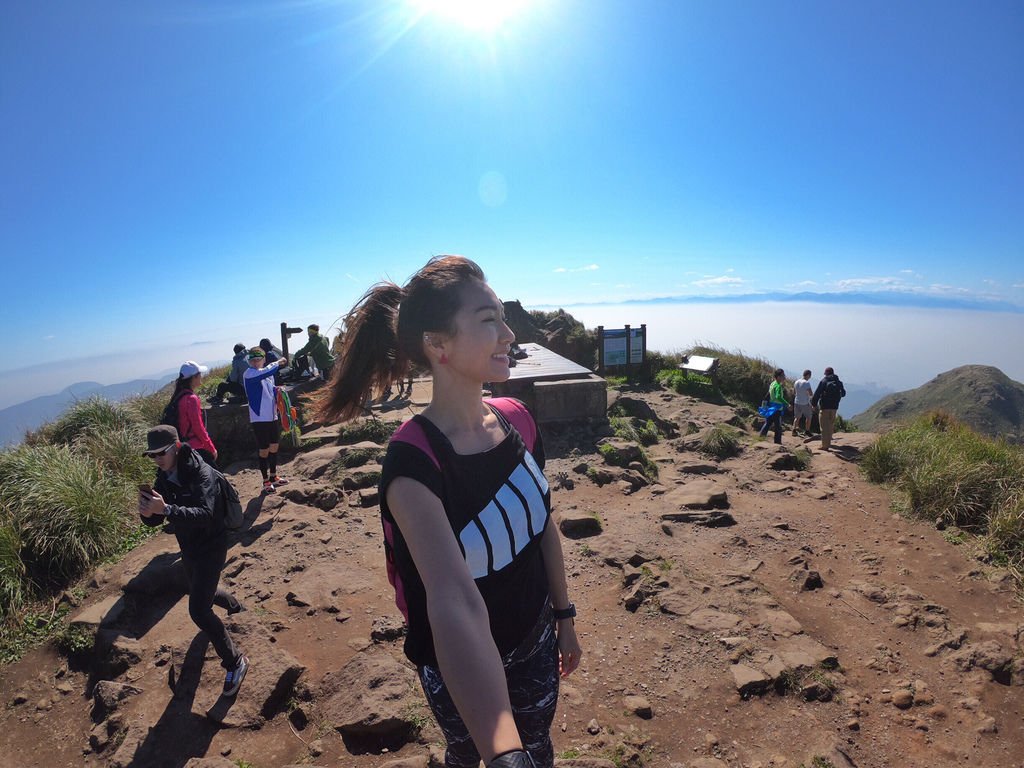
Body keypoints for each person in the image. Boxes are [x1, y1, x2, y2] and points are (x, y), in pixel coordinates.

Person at [317, 256, 581, 768]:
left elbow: (541, 525)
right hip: (452, 658)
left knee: (541, 747)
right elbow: (453, 598)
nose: (508, 333)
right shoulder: (414, 462)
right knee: (465, 753)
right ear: (438, 345)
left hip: (535, 637)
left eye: (502, 316)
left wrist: (564, 617)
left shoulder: (517, 421)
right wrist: (505, 752)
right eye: (488, 319)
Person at [138, 425, 248, 697]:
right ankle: (236, 606)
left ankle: (236, 662)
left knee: (198, 610)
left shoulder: (202, 473)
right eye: (151, 455)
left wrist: (166, 509)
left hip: (212, 545)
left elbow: (206, 513)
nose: (157, 460)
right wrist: (148, 512)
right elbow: (158, 519)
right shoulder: (164, 475)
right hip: (188, 546)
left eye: (160, 453)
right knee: (200, 589)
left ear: (176, 447)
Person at [243, 347, 290, 493]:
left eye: (258, 359)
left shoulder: (267, 375)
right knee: (264, 450)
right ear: (249, 361)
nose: (256, 362)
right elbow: (267, 371)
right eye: (253, 360)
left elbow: (269, 389)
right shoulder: (249, 373)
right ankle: (265, 481)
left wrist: (277, 390)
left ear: (263, 359)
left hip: (271, 415)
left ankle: (274, 476)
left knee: (274, 445)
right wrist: (278, 362)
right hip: (259, 418)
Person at [167, 361, 218, 467]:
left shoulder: (178, 396)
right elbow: (198, 427)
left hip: (182, 446)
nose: (201, 377)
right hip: (195, 447)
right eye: (200, 375)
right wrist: (211, 448)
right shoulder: (191, 399)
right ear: (194, 378)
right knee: (215, 477)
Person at [812, 366, 846, 450]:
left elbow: (817, 394)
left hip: (825, 407)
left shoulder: (824, 381)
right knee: (831, 424)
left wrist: (814, 404)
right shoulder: (838, 382)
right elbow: (844, 393)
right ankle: (829, 440)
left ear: (826, 373)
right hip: (834, 407)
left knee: (824, 426)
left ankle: (825, 446)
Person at [759, 368, 789, 444]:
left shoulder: (773, 383)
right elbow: (778, 397)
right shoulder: (778, 386)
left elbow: (769, 394)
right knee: (778, 427)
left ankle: (760, 437)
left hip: (771, 407)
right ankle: (778, 443)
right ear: (778, 377)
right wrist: (787, 404)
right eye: (782, 375)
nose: (784, 377)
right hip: (777, 409)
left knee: (768, 423)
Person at [792, 369, 815, 437]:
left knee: (797, 417)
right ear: (808, 375)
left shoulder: (796, 382)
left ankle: (794, 430)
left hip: (797, 401)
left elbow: (794, 392)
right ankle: (807, 431)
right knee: (808, 417)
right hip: (805, 403)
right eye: (810, 376)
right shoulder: (806, 383)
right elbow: (811, 394)